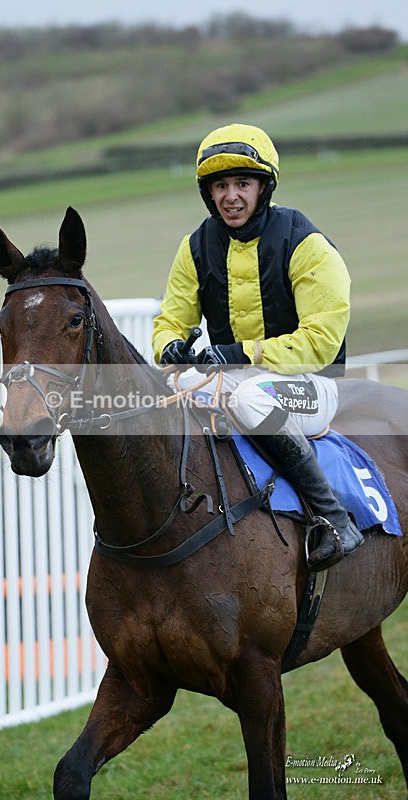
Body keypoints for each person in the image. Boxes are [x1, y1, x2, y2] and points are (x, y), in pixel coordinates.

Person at [152, 122, 363, 571]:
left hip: (309, 384)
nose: (230, 196)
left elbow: (321, 341)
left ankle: (335, 518)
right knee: (168, 392)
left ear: (263, 187)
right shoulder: (195, 246)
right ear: (208, 193)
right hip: (236, 380)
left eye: (242, 184)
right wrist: (169, 346)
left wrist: (242, 354)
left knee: (251, 397)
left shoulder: (306, 243)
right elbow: (171, 319)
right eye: (220, 186)